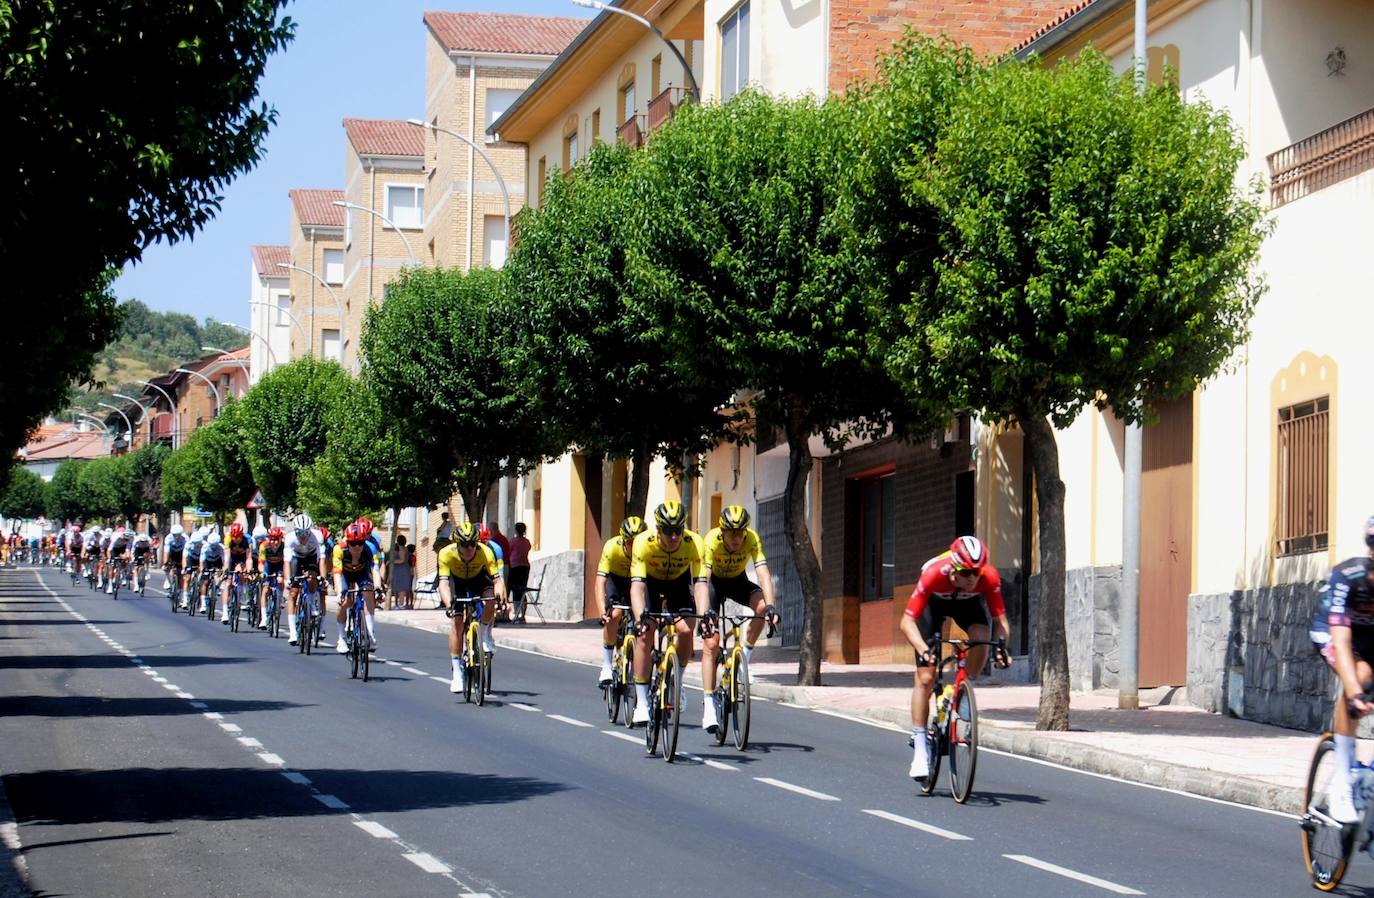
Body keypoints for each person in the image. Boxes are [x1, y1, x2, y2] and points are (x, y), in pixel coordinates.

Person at [900, 535, 1010, 782]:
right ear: (954, 569)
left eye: (977, 572)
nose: (972, 578)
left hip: (966, 604)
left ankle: (960, 690)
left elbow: (1000, 621)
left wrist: (1002, 648)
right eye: (966, 572)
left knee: (982, 637)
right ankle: (920, 747)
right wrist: (923, 649)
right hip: (933, 603)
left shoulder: (987, 578)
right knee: (926, 675)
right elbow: (906, 622)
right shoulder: (934, 573)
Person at [1309, 516, 1374, 822]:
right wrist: (1356, 693)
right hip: (1334, 633)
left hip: (1370, 637)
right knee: (1359, 679)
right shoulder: (1347, 576)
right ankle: (1342, 779)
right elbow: (1342, 641)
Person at [629, 501, 711, 727]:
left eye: (678, 530)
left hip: (679, 584)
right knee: (645, 634)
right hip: (652, 585)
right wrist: (640, 619)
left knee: (686, 630)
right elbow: (637, 586)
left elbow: (701, 583)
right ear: (658, 529)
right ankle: (642, 703)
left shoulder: (694, 542)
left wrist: (704, 615)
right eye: (668, 530)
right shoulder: (643, 542)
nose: (674, 536)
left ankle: (677, 681)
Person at [701, 505, 781, 700]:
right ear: (723, 532)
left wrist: (771, 606)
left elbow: (763, 573)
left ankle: (744, 658)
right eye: (732, 533)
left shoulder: (751, 538)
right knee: (713, 642)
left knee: (762, 607)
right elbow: (704, 578)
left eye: (741, 533)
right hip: (714, 584)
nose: (737, 538)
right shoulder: (712, 539)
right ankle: (709, 702)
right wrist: (705, 611)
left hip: (738, 581)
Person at [437, 522, 506, 693]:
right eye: (464, 545)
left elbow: (498, 580)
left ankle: (482, 634)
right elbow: (443, 584)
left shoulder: (486, 552)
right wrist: (449, 605)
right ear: (457, 544)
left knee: (491, 598)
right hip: (456, 581)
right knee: (457, 622)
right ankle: (457, 674)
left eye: (472, 544)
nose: (469, 549)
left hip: (477, 579)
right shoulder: (446, 554)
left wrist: (500, 596)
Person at [596, 516, 645, 686]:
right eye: (630, 542)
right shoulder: (611, 547)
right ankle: (607, 666)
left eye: (637, 541)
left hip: (636, 581)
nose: (634, 546)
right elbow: (600, 582)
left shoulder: (647, 550)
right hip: (615, 581)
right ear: (624, 541)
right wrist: (603, 611)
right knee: (615, 614)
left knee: (644, 621)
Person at [333, 522, 383, 653]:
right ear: (347, 542)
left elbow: (375, 570)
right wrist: (339, 593)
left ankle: (370, 634)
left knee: (368, 591)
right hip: (345, 575)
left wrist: (378, 588)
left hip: (362, 573)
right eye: (353, 543)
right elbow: (337, 574)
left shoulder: (370, 548)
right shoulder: (339, 549)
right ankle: (341, 638)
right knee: (345, 602)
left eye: (360, 543)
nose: (357, 547)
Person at [284, 514, 328, 646]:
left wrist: (323, 578)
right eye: (300, 533)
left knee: (312, 577)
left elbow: (322, 560)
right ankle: (293, 632)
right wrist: (287, 579)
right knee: (293, 593)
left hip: (311, 557)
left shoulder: (317, 536)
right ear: (295, 531)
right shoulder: (290, 538)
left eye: (306, 533)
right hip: (296, 558)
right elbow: (287, 562)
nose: (303, 536)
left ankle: (312, 603)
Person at [221, 522, 254, 623]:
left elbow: (249, 558)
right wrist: (226, 570)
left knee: (244, 575)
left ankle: (243, 596)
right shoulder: (228, 538)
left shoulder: (248, 539)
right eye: (234, 536)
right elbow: (227, 556)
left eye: (238, 536)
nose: (236, 539)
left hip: (243, 558)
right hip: (232, 557)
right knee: (228, 582)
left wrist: (248, 571)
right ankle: (225, 612)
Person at [257, 526, 286, 629]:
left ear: (281, 539)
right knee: (265, 589)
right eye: (272, 539)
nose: (274, 542)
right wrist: (262, 572)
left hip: (279, 565)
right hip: (268, 566)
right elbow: (261, 562)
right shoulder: (264, 546)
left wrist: (284, 574)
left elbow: (287, 563)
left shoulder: (284, 546)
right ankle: (264, 618)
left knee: (280, 580)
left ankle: (280, 597)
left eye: (277, 539)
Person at [508, 522, 532, 623]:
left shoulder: (513, 541)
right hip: (525, 567)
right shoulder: (527, 542)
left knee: (515, 590)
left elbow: (509, 551)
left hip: (515, 566)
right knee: (522, 590)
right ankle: (523, 614)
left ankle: (517, 614)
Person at [389, 535, 415, 610]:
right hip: (400, 570)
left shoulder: (402, 549)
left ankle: (400, 604)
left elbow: (402, 560)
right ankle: (398, 604)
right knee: (398, 587)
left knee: (401, 588)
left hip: (402, 570)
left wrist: (392, 561)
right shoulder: (404, 548)